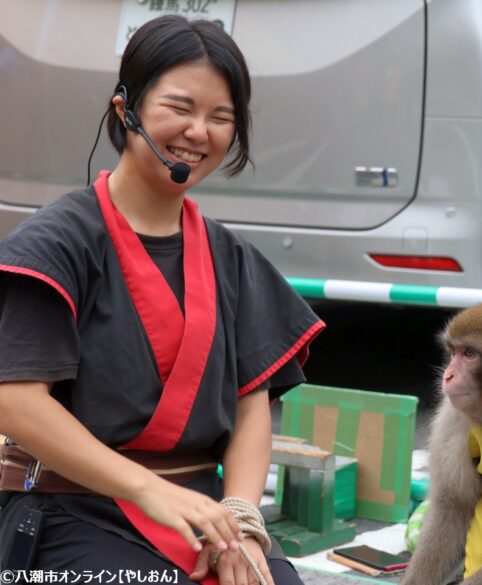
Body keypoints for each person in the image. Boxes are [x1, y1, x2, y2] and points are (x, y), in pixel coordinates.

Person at [0, 15, 323, 585]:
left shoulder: (232, 256)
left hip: (202, 513)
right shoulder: (57, 243)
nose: (199, 132)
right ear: (126, 110)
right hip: (69, 508)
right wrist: (147, 490)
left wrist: (243, 522)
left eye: (221, 117)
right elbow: (18, 402)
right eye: (180, 108)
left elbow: (253, 405)